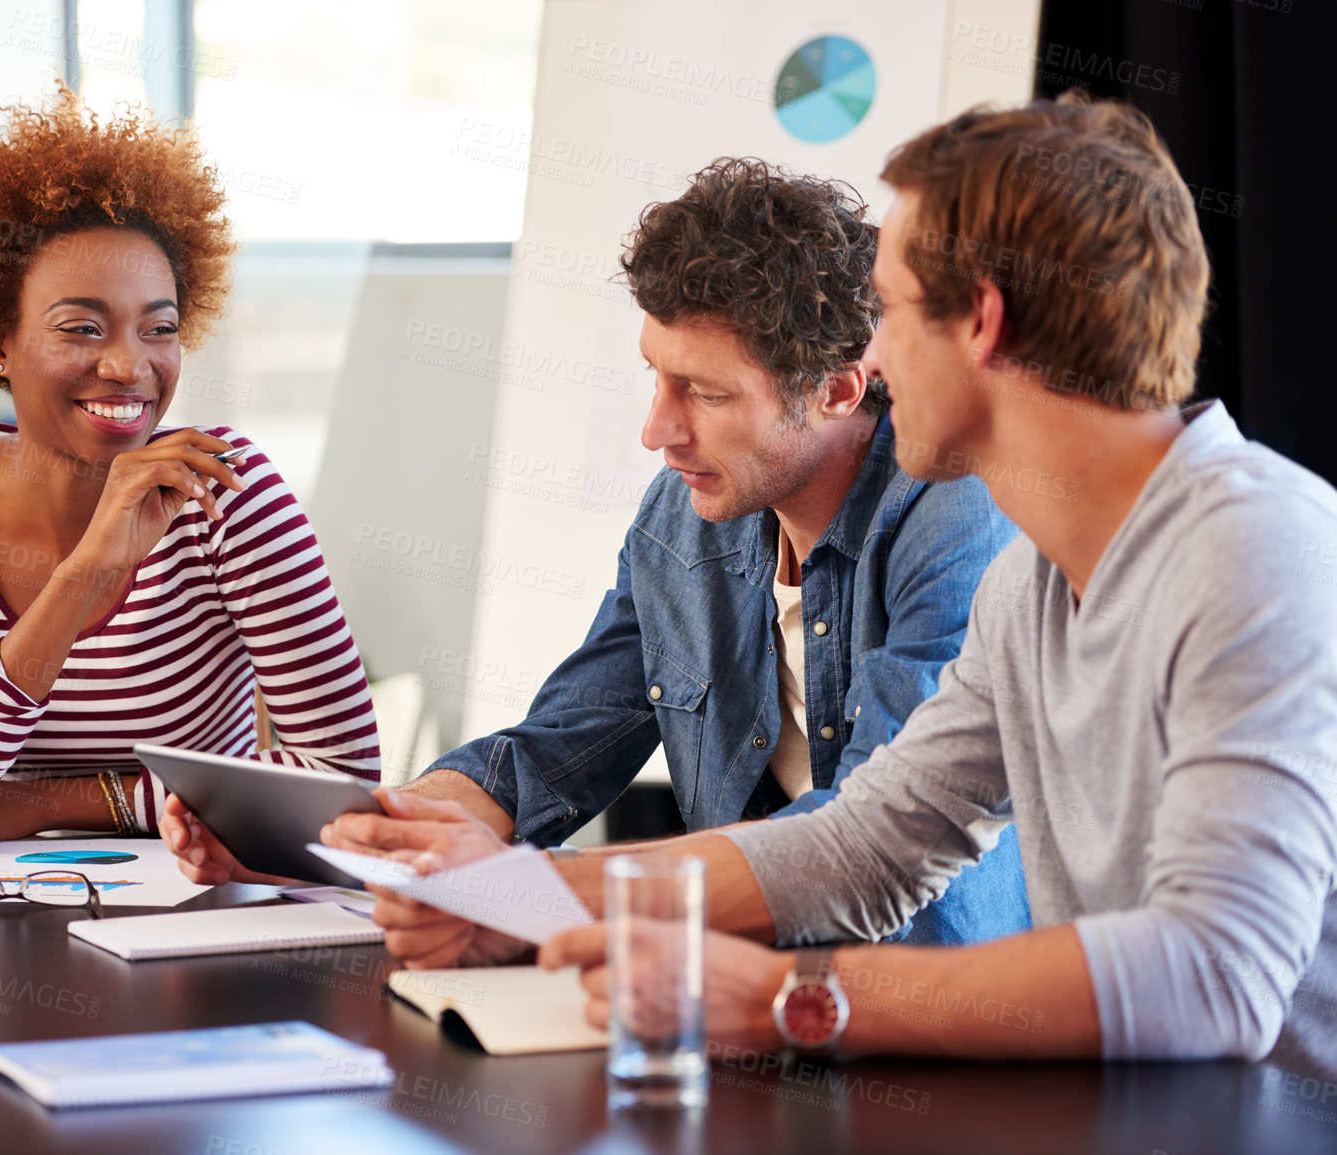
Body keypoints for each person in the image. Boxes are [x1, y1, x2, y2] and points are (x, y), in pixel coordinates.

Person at [530, 94, 1337, 1070]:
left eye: (891, 310)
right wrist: (510, 897)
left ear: (981, 323)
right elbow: (866, 848)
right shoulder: (1031, 585)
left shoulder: (1254, 543)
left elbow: (1214, 977)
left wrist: (795, 997)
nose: (867, 361)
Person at [263, 158, 1032, 952]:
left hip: (916, 1021)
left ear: (836, 392)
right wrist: (384, 836)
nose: (655, 430)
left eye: (704, 392)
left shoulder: (957, 521)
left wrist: (512, 890)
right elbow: (562, 742)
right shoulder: (687, 508)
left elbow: (863, 842)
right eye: (655, 378)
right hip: (721, 994)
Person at [0, 90, 380, 857]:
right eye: (81, 328)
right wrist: (88, 574)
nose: (130, 366)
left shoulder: (224, 490)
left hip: (192, 928)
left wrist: (44, 801)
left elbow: (340, 785)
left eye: (158, 327)